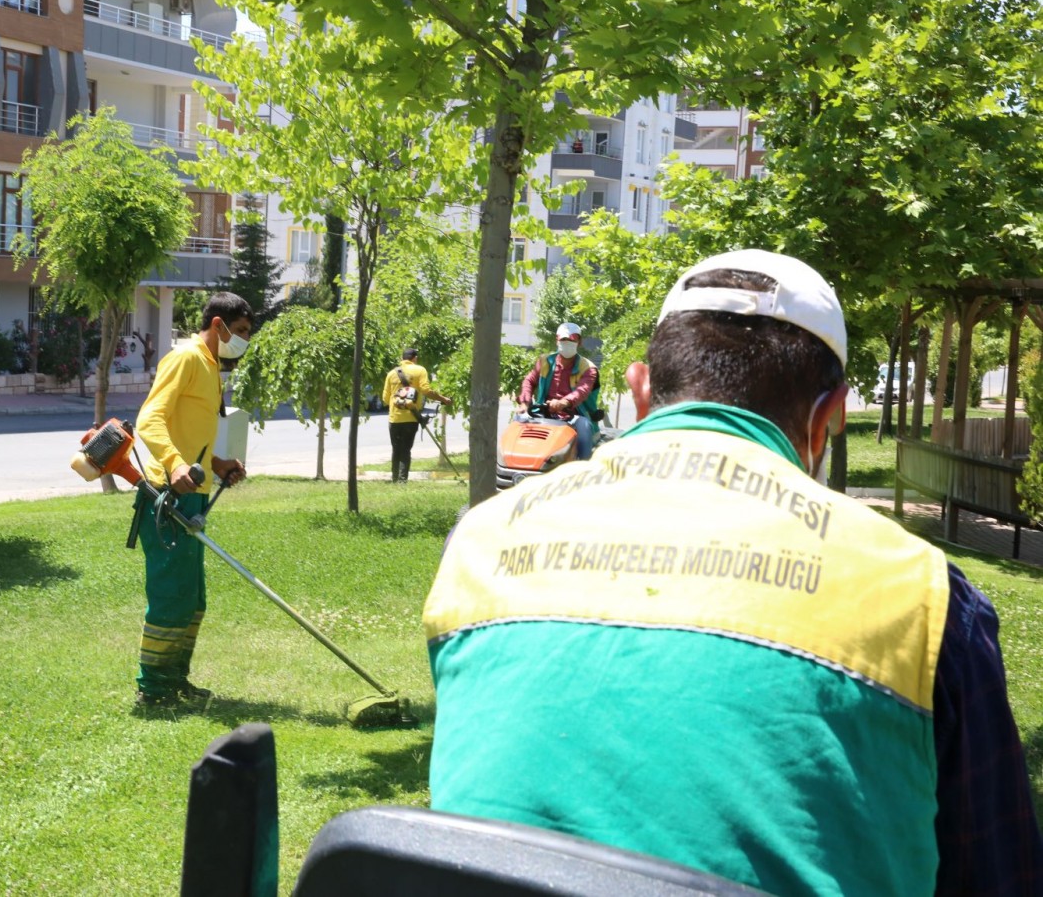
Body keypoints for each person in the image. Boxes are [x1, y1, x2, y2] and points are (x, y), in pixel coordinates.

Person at [423, 250, 1043, 895]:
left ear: (639, 393)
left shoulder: (481, 542)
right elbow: (1001, 873)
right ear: (830, 416)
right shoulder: (922, 596)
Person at [133, 293, 252, 708]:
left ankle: (175, 680)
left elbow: (190, 431)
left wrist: (216, 463)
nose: (242, 342)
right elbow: (149, 418)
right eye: (239, 332)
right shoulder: (185, 358)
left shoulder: (211, 366)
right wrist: (175, 464)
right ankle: (153, 688)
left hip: (194, 495)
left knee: (192, 597)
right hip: (167, 497)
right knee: (172, 594)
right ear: (217, 325)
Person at [518, 321, 600, 460]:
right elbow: (529, 380)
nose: (567, 342)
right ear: (557, 340)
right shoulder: (545, 361)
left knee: (585, 427)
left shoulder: (588, 368)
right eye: (563, 339)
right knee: (519, 420)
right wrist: (525, 402)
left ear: (579, 342)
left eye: (572, 339)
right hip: (543, 412)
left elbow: (582, 391)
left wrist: (563, 402)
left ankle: (583, 469)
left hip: (574, 415)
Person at [381, 347, 452, 484]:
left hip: (394, 418)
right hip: (411, 417)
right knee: (406, 449)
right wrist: (443, 399)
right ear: (415, 358)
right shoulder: (420, 370)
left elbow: (385, 398)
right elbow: (426, 390)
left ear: (402, 359)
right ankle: (402, 481)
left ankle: (395, 479)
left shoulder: (391, 374)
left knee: (396, 449)